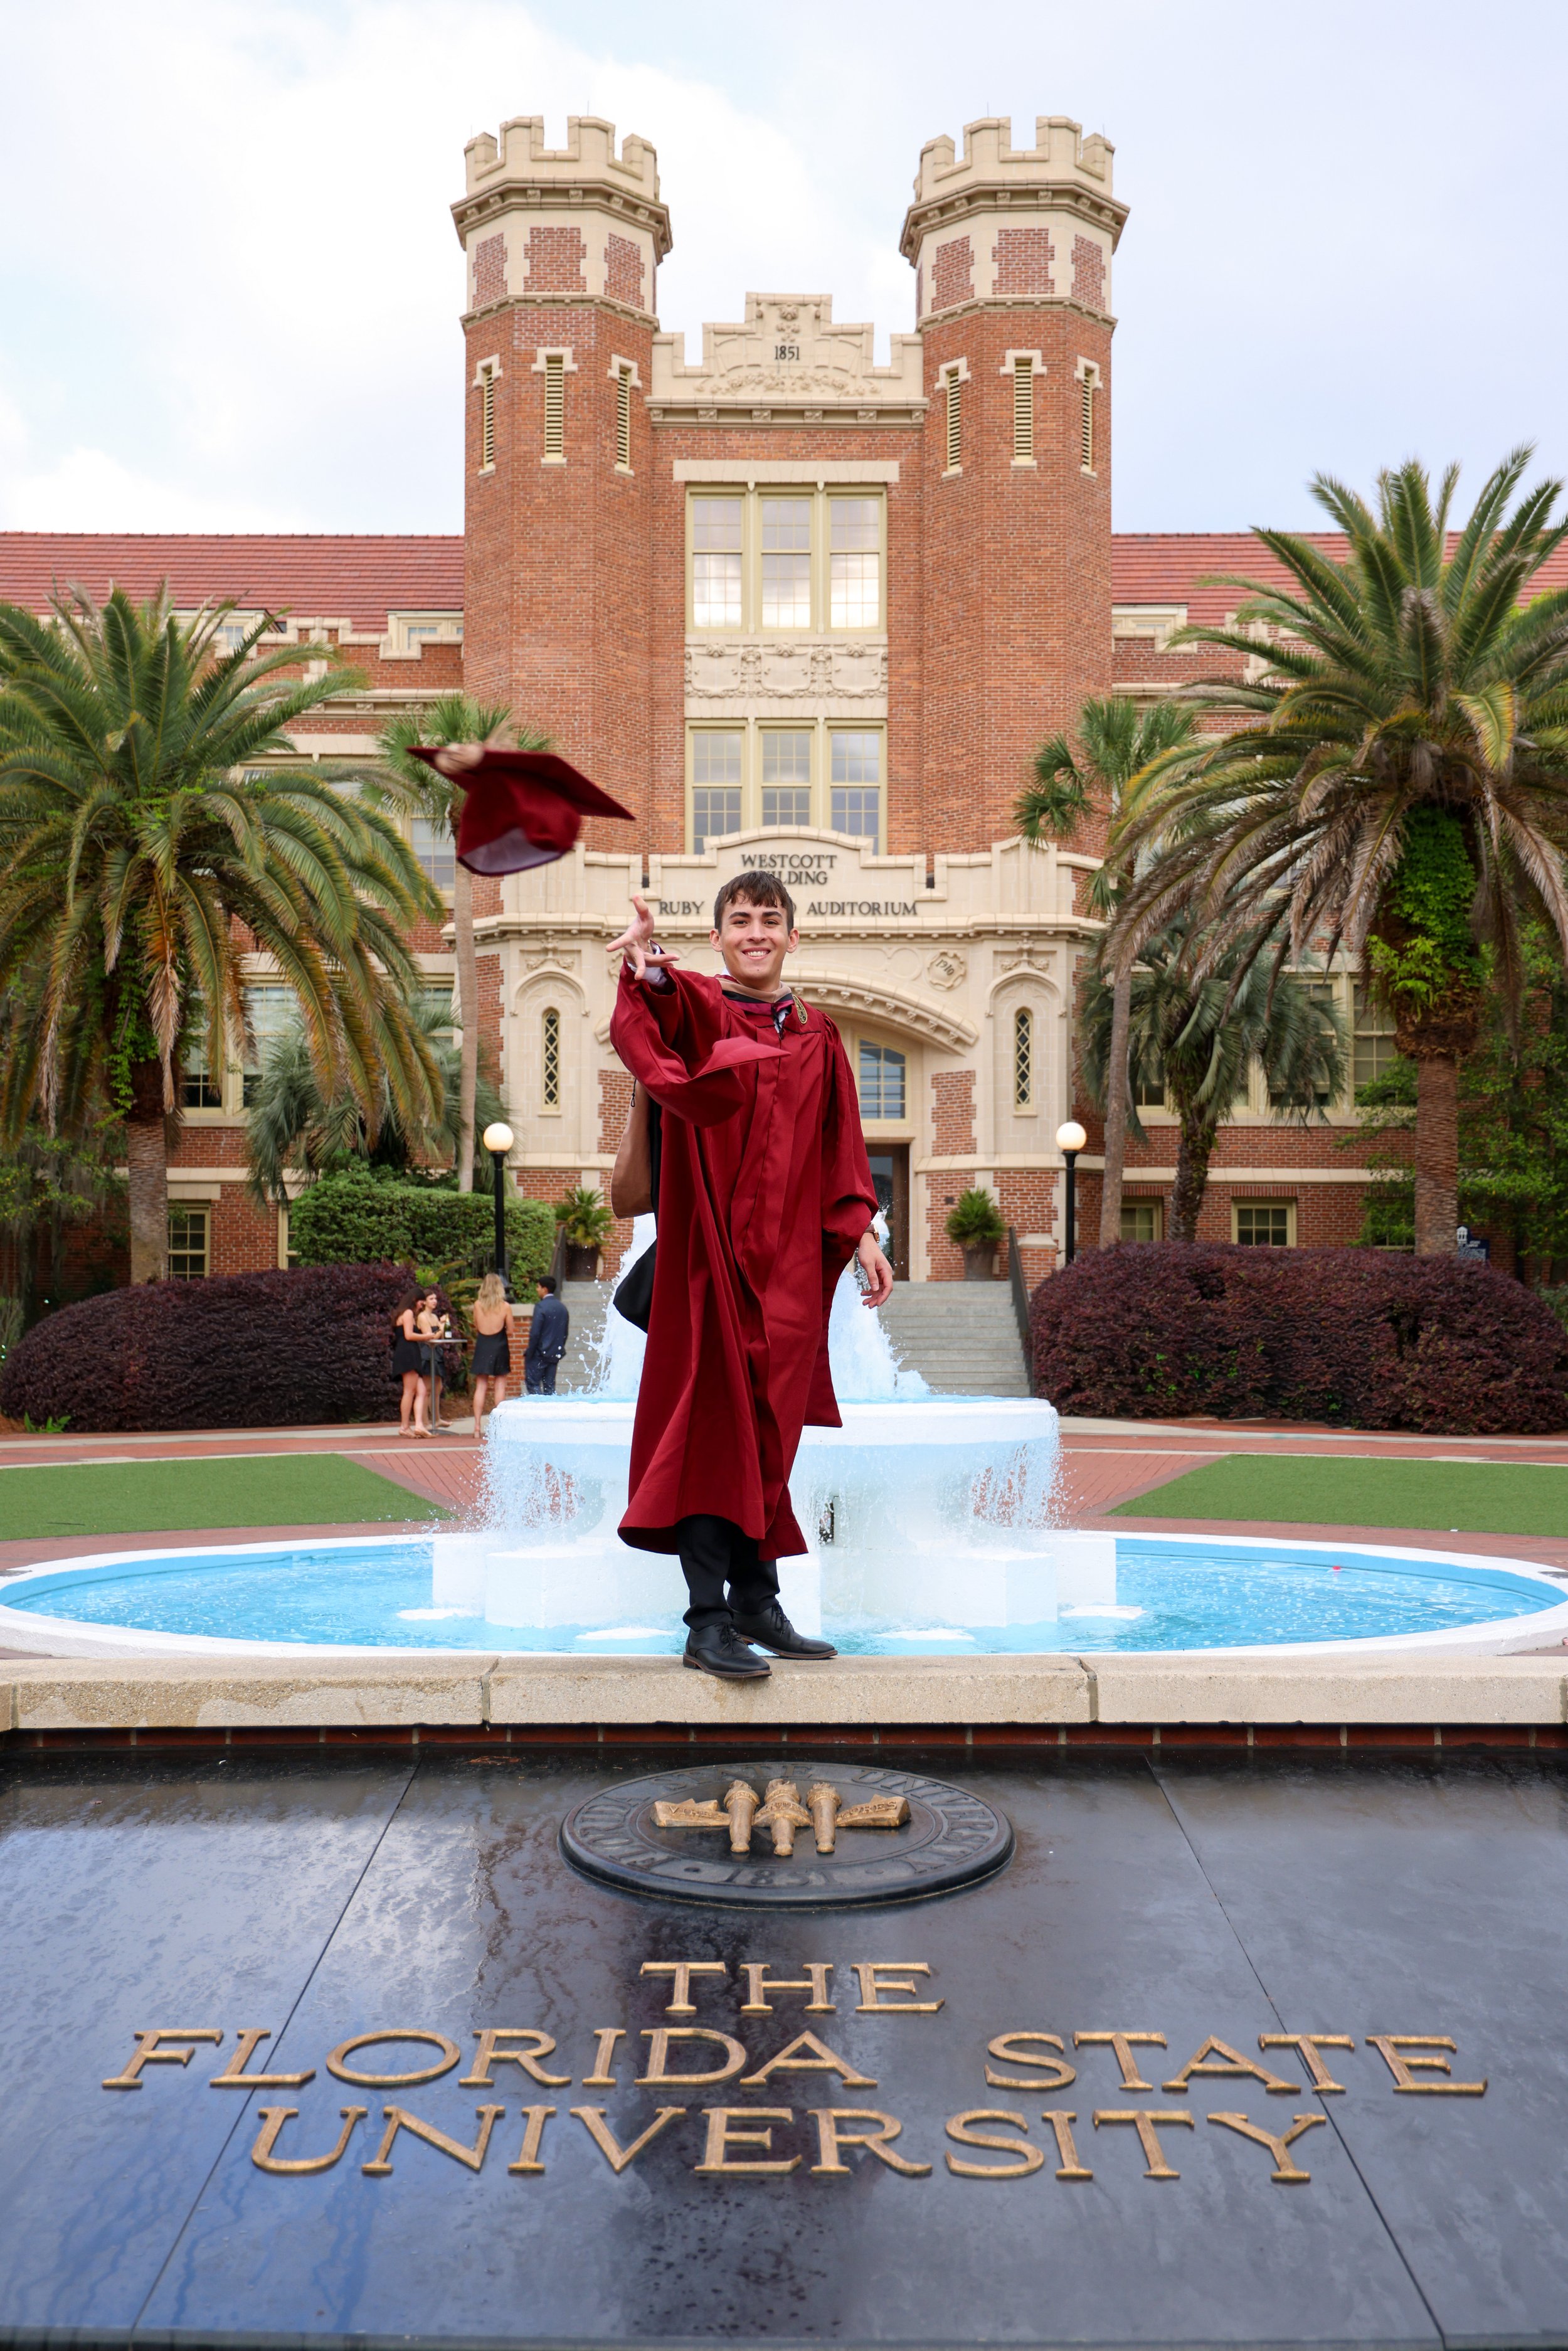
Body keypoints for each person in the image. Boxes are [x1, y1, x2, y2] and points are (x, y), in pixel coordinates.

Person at [607, 872, 893, 1682]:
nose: (756, 932)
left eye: (770, 919)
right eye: (740, 920)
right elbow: (665, 1006)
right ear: (717, 938)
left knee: (768, 1432)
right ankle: (706, 1623)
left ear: (793, 937)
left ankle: (756, 1603)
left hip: (789, 1272)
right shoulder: (704, 1010)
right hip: (708, 1265)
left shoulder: (817, 1033)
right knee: (708, 1433)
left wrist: (862, 1233)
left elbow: (841, 1144)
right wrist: (647, 971)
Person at [470, 1271, 516, 1426]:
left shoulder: (477, 1305)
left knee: (481, 1386)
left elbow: (476, 1325)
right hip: (499, 1345)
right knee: (500, 1385)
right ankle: (499, 1424)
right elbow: (511, 1330)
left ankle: (477, 1426)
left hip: (483, 1344)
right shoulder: (505, 1306)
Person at [391, 1286, 432, 1437]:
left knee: (421, 1391)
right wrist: (426, 1337)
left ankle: (419, 1425)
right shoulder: (408, 1313)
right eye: (421, 1302)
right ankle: (404, 1426)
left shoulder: (404, 1313)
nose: (422, 1306)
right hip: (407, 1354)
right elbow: (408, 1335)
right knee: (409, 1391)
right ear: (415, 1300)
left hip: (410, 1353)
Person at [524, 1275, 569, 1394]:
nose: (537, 1289)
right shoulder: (562, 1308)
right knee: (550, 1387)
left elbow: (535, 1333)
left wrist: (530, 1353)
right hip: (554, 1354)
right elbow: (565, 1333)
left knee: (533, 1384)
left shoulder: (541, 1307)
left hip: (539, 1354)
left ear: (545, 1289)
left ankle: (538, 1406)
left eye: (538, 1287)